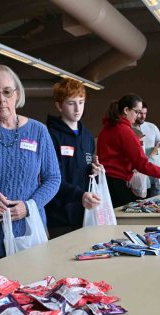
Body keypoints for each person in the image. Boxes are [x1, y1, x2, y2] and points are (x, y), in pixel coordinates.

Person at [0, 64, 60, 258]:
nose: (1, 99)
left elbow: (53, 178)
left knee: (31, 285)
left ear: (17, 94)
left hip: (27, 228)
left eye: (7, 91)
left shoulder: (39, 131)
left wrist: (30, 206)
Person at [97, 94, 160, 208]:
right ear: (126, 110)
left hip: (103, 183)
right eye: (137, 112)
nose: (137, 116)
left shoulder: (106, 129)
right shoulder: (125, 131)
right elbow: (142, 165)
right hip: (117, 184)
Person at [45, 78, 100, 238]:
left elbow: (84, 170)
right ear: (59, 106)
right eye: (71, 103)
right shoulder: (50, 135)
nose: (77, 109)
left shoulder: (87, 136)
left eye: (81, 102)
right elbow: (52, 179)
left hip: (86, 212)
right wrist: (79, 196)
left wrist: (95, 172)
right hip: (61, 216)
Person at [134, 102, 160, 197]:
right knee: (140, 200)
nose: (143, 116)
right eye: (140, 113)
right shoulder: (128, 128)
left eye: (145, 113)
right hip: (137, 171)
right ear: (135, 112)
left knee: (158, 199)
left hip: (153, 169)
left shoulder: (152, 127)